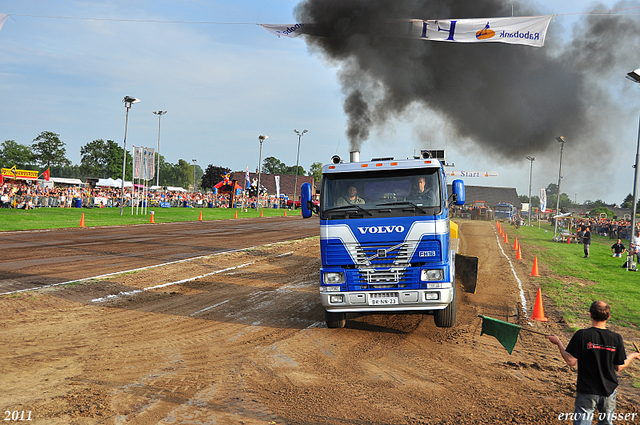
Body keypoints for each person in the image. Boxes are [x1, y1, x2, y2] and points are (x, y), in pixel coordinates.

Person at [546, 301, 639, 425]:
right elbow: (619, 366)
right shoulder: (616, 338)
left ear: (590, 315)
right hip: (608, 391)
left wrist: (558, 343)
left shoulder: (582, 335)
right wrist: (633, 355)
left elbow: (571, 361)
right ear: (609, 317)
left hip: (587, 391)